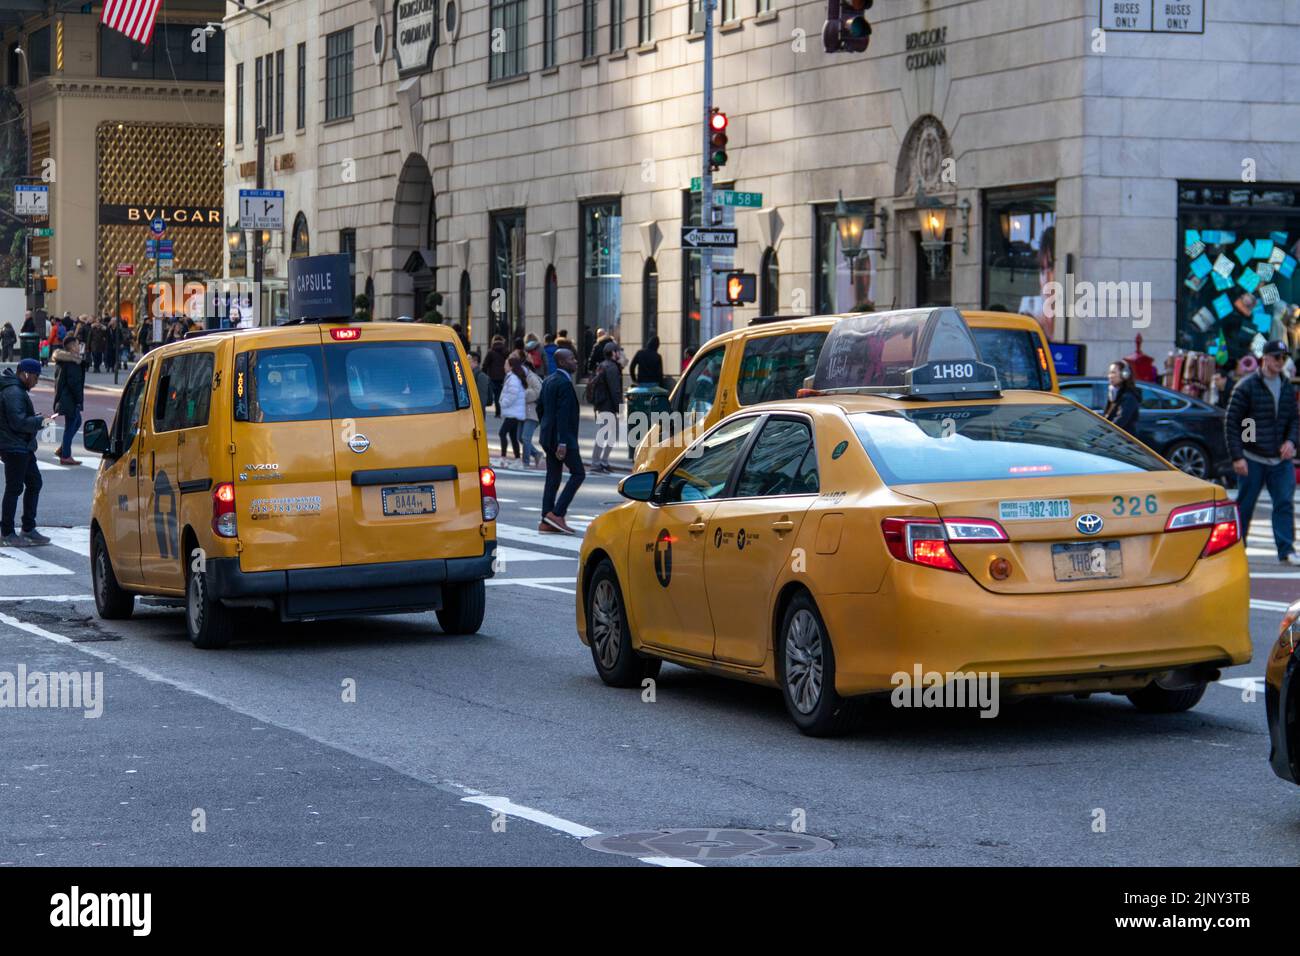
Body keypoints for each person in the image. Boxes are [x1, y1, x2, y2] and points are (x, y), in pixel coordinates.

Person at [1225, 340, 1300, 565]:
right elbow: (1233, 422)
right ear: (1264, 358)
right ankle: (1237, 548)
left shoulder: (1287, 386)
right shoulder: (1247, 386)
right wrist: (1238, 456)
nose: (1280, 362)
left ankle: (1286, 550)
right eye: (1276, 357)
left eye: (1283, 358)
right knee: (1245, 505)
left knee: (1284, 503)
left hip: (1280, 459)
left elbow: (1294, 420)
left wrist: (1291, 441)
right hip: (1253, 458)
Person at [0, 359, 51, 547]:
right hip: (14, 446)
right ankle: (7, 532)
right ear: (27, 374)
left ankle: (28, 528)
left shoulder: (16, 390)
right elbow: (18, 422)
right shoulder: (14, 392)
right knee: (14, 488)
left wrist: (37, 419)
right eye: (36, 377)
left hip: (21, 446)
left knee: (34, 482)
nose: (36, 381)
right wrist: (39, 421)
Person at [536, 348, 584, 534]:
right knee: (578, 473)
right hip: (563, 439)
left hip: (547, 437)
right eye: (572, 358)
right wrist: (562, 441)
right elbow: (563, 415)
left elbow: (540, 408)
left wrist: (546, 428)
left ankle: (546, 519)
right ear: (563, 362)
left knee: (553, 476)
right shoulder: (564, 383)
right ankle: (557, 513)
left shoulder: (548, 380)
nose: (576, 361)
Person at [589, 340, 623, 474]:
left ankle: (602, 462)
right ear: (613, 353)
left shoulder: (603, 366)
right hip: (608, 406)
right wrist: (619, 408)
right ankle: (597, 463)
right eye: (618, 351)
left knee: (607, 434)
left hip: (602, 404)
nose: (619, 353)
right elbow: (615, 390)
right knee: (606, 435)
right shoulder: (612, 368)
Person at [52, 335, 87, 466]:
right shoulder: (72, 362)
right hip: (70, 399)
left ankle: (63, 449)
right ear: (72, 347)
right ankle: (65, 455)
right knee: (71, 425)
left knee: (76, 422)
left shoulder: (62, 361)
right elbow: (74, 383)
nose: (79, 347)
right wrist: (79, 399)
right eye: (77, 344)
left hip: (64, 397)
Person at [498, 355, 527, 462]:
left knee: (502, 433)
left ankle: (504, 456)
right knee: (513, 435)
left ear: (511, 366)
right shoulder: (513, 377)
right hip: (515, 411)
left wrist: (503, 403)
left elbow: (512, 394)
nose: (504, 367)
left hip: (513, 412)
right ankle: (517, 457)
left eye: (506, 365)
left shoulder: (513, 378)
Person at [1102, 360, 1140, 436]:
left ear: (1125, 375)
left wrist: (1104, 433)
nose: (1110, 376)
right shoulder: (1114, 394)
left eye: (1113, 372)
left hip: (1122, 442)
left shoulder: (1129, 397)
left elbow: (1120, 420)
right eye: (1109, 372)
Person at [520, 358, 543, 468]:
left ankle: (526, 462)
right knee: (520, 437)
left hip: (533, 412)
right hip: (525, 412)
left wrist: (523, 394)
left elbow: (538, 391)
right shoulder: (524, 377)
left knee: (525, 437)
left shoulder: (532, 377)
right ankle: (536, 454)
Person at [482, 335, 508, 417]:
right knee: (501, 394)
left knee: (496, 395)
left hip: (493, 377)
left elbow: (485, 364)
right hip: (503, 377)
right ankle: (501, 411)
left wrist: (484, 374)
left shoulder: (491, 352)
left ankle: (498, 412)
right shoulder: (506, 351)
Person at [468, 350, 494, 417]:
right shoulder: (471, 374)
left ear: (475, 361)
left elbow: (482, 400)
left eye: (468, 359)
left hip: (477, 416)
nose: (465, 361)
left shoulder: (481, 376)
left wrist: (478, 417)